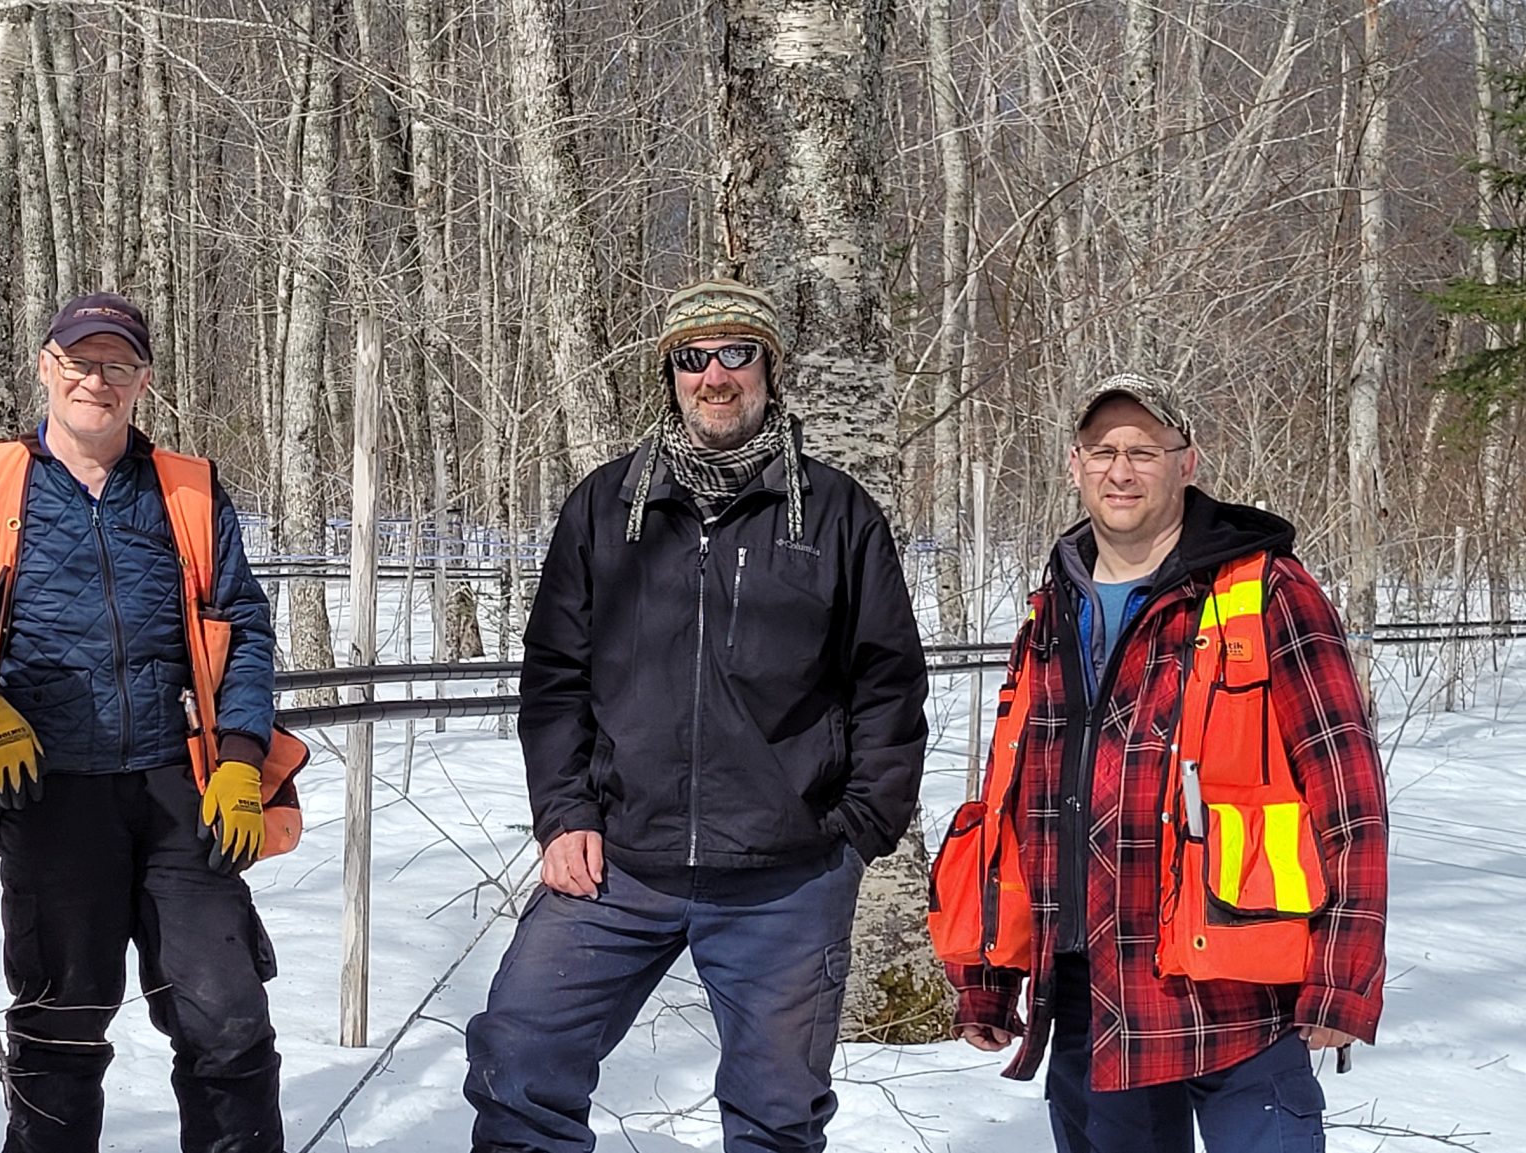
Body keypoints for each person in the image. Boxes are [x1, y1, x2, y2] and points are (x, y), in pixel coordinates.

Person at [462, 277, 932, 1153]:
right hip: (619, 866)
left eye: (735, 353)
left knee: (775, 1116)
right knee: (519, 1059)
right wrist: (565, 813)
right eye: (692, 357)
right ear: (670, 374)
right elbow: (556, 677)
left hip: (783, 877)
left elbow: (888, 684)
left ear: (768, 368)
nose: (714, 376)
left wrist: (856, 832)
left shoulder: (834, 515)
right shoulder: (607, 508)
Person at [938, 375, 1388, 1153]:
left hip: (1240, 992)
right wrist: (989, 964)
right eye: (1103, 450)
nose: (1121, 470)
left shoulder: (1266, 590)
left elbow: (1347, 792)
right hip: (1091, 992)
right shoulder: (1051, 612)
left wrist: (1344, 974)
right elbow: (1014, 805)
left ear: (1188, 463)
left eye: (1144, 450)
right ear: (1075, 465)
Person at [0, 291, 287, 1153]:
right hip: (49, 790)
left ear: (143, 380)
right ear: (47, 366)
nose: (97, 382)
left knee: (226, 1018)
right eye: (80, 361)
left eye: (118, 365)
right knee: (60, 1025)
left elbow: (246, 625)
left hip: (182, 790)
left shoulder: (187, 489)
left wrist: (240, 755)